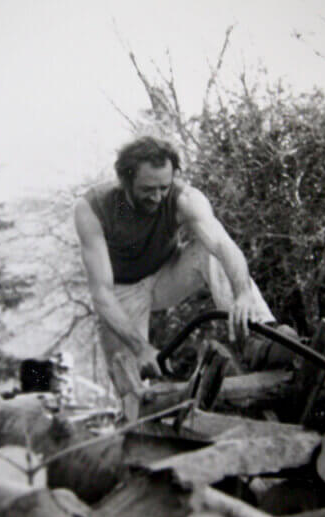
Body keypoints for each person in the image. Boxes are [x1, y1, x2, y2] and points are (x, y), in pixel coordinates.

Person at [74, 136, 279, 415]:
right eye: (147, 189)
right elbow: (102, 294)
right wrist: (141, 347)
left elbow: (223, 245)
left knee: (208, 251)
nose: (158, 197)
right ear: (125, 181)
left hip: (166, 274)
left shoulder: (185, 198)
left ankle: (261, 338)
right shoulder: (93, 208)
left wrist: (242, 295)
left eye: (164, 187)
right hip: (122, 291)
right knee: (131, 389)